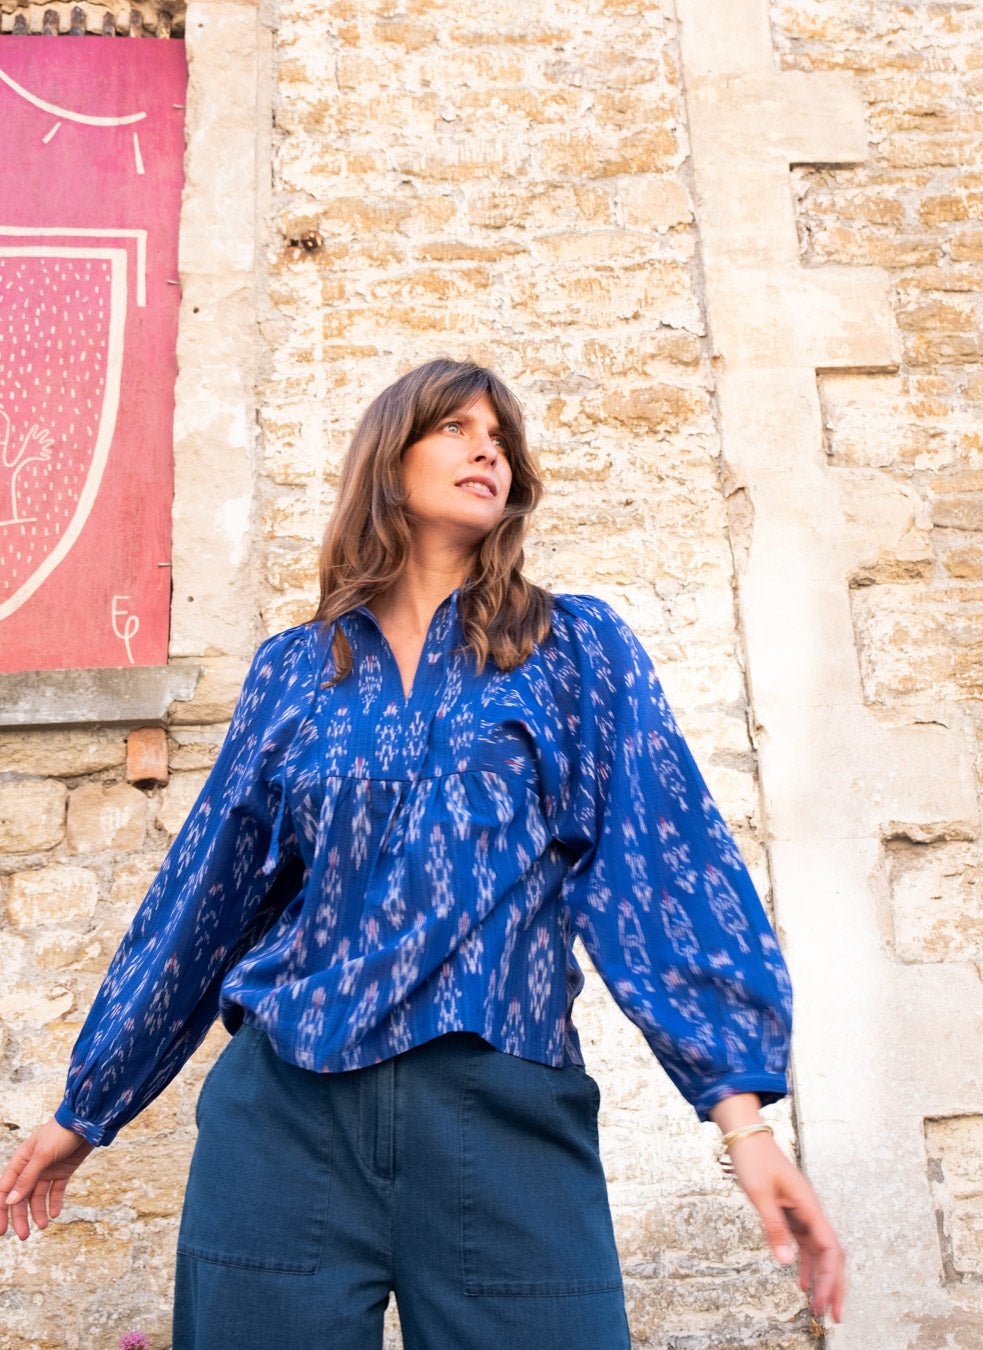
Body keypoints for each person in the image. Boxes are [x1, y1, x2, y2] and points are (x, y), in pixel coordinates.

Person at [0, 359, 845, 1347]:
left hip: (503, 1115)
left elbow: (659, 869)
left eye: (501, 437)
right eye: (455, 428)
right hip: (288, 1118)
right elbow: (205, 894)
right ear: (388, 461)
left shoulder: (572, 649)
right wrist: (89, 1106)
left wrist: (743, 1123)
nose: (488, 449)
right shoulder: (297, 669)